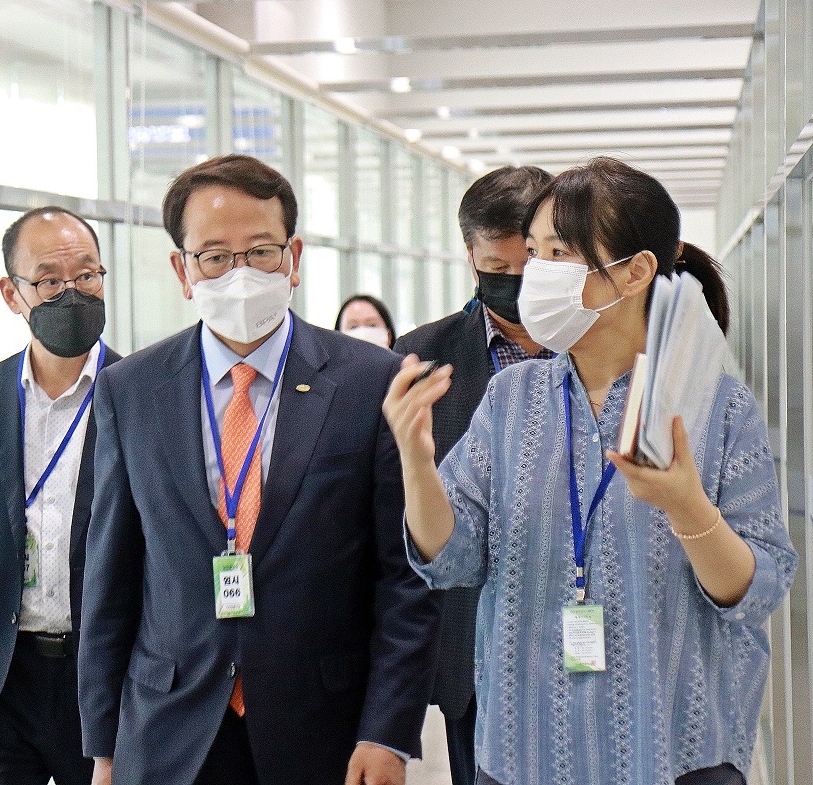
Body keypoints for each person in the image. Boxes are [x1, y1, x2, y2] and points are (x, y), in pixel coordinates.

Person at [384, 157, 797, 785]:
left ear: (634, 272)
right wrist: (416, 461)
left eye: (560, 253)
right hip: (524, 749)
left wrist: (689, 509)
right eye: (535, 252)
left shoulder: (713, 405)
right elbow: (452, 557)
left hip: (673, 754)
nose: (536, 275)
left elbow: (758, 589)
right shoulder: (511, 398)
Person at [79, 154, 440, 785]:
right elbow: (109, 579)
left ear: (294, 257)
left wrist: (388, 731)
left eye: (262, 251)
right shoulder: (129, 391)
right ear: (182, 270)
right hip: (169, 730)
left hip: (324, 727)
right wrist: (104, 747)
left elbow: (402, 577)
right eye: (215, 256)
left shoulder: (368, 381)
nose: (240, 273)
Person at [0, 207, 120, 785]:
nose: (72, 293)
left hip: (106, 680)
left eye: (86, 276)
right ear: (13, 295)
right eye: (49, 281)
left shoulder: (142, 394)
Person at [390, 164, 552, 785]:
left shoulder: (608, 353)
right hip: (474, 656)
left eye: (531, 267)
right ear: (469, 255)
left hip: (593, 648)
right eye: (498, 270)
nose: (514, 284)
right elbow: (396, 517)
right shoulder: (420, 359)